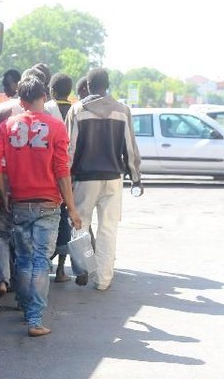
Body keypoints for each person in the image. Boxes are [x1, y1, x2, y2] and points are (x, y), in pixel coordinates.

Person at [0, 76, 82, 337]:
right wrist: (72, 209)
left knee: (25, 259)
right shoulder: (56, 127)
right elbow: (62, 170)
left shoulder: (8, 125)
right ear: (44, 97)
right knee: (41, 261)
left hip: (19, 202)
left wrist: (1, 190)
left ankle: (27, 306)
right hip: (49, 204)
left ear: (20, 100)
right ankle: (34, 319)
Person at [65, 68, 142, 290]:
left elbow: (69, 149)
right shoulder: (122, 110)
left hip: (85, 180)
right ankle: (104, 280)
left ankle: (86, 268)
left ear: (87, 86)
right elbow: (130, 148)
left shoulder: (77, 110)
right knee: (108, 229)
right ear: (106, 85)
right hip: (113, 179)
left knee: (80, 226)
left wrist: (66, 179)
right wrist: (136, 178)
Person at [44, 72, 74, 282]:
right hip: (71, 175)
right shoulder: (76, 110)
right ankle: (62, 270)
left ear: (51, 91)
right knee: (66, 219)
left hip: (49, 175)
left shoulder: (46, 110)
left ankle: (45, 262)